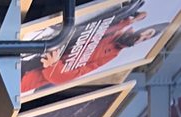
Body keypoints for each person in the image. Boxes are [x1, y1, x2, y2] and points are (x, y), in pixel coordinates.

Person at [22, 15, 165, 92]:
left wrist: (53, 65)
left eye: (145, 39)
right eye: (146, 33)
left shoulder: (113, 54)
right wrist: (129, 20)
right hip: (33, 38)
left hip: (25, 74)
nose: (141, 38)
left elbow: (67, 76)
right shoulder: (118, 25)